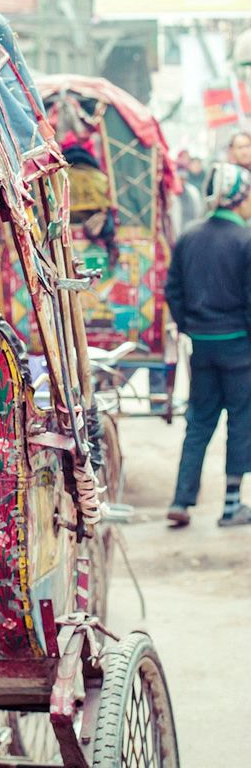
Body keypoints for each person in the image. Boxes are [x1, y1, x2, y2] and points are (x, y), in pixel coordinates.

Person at [165, 163, 251, 527]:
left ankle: (182, 501)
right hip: (238, 348)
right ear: (239, 199)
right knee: (241, 421)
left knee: (198, 421)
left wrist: (191, 326)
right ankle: (232, 505)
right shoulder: (245, 239)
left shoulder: (189, 236)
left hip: (201, 346)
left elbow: (173, 291)